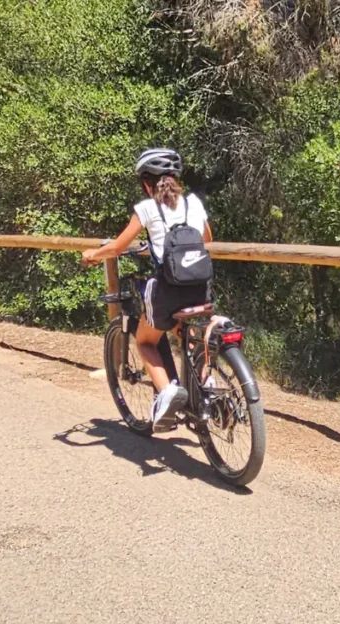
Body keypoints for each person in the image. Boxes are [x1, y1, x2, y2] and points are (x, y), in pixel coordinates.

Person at [81, 148, 213, 430]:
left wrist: (93, 254)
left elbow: (117, 247)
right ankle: (207, 385)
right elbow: (206, 238)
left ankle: (168, 392)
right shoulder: (193, 203)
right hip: (201, 286)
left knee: (145, 340)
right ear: (177, 179)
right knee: (185, 332)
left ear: (146, 182)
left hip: (168, 289)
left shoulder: (146, 208)